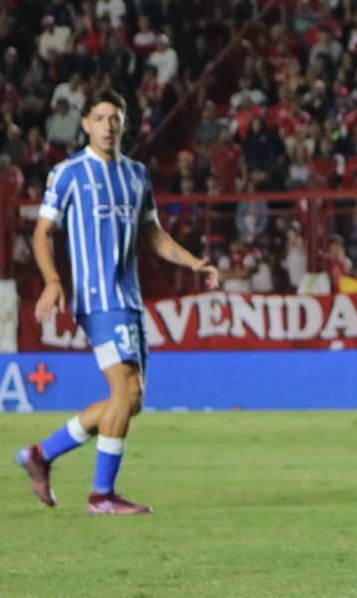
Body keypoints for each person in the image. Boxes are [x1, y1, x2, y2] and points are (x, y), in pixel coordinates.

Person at [15, 92, 219, 515]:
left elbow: (153, 234)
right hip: (96, 299)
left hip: (128, 300)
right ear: (86, 124)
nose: (108, 125)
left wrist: (193, 262)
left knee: (131, 399)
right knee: (124, 393)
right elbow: (41, 232)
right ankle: (101, 496)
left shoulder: (137, 176)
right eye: (100, 117)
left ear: (124, 125)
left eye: (116, 118)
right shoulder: (68, 174)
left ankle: (40, 453)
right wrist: (53, 280)